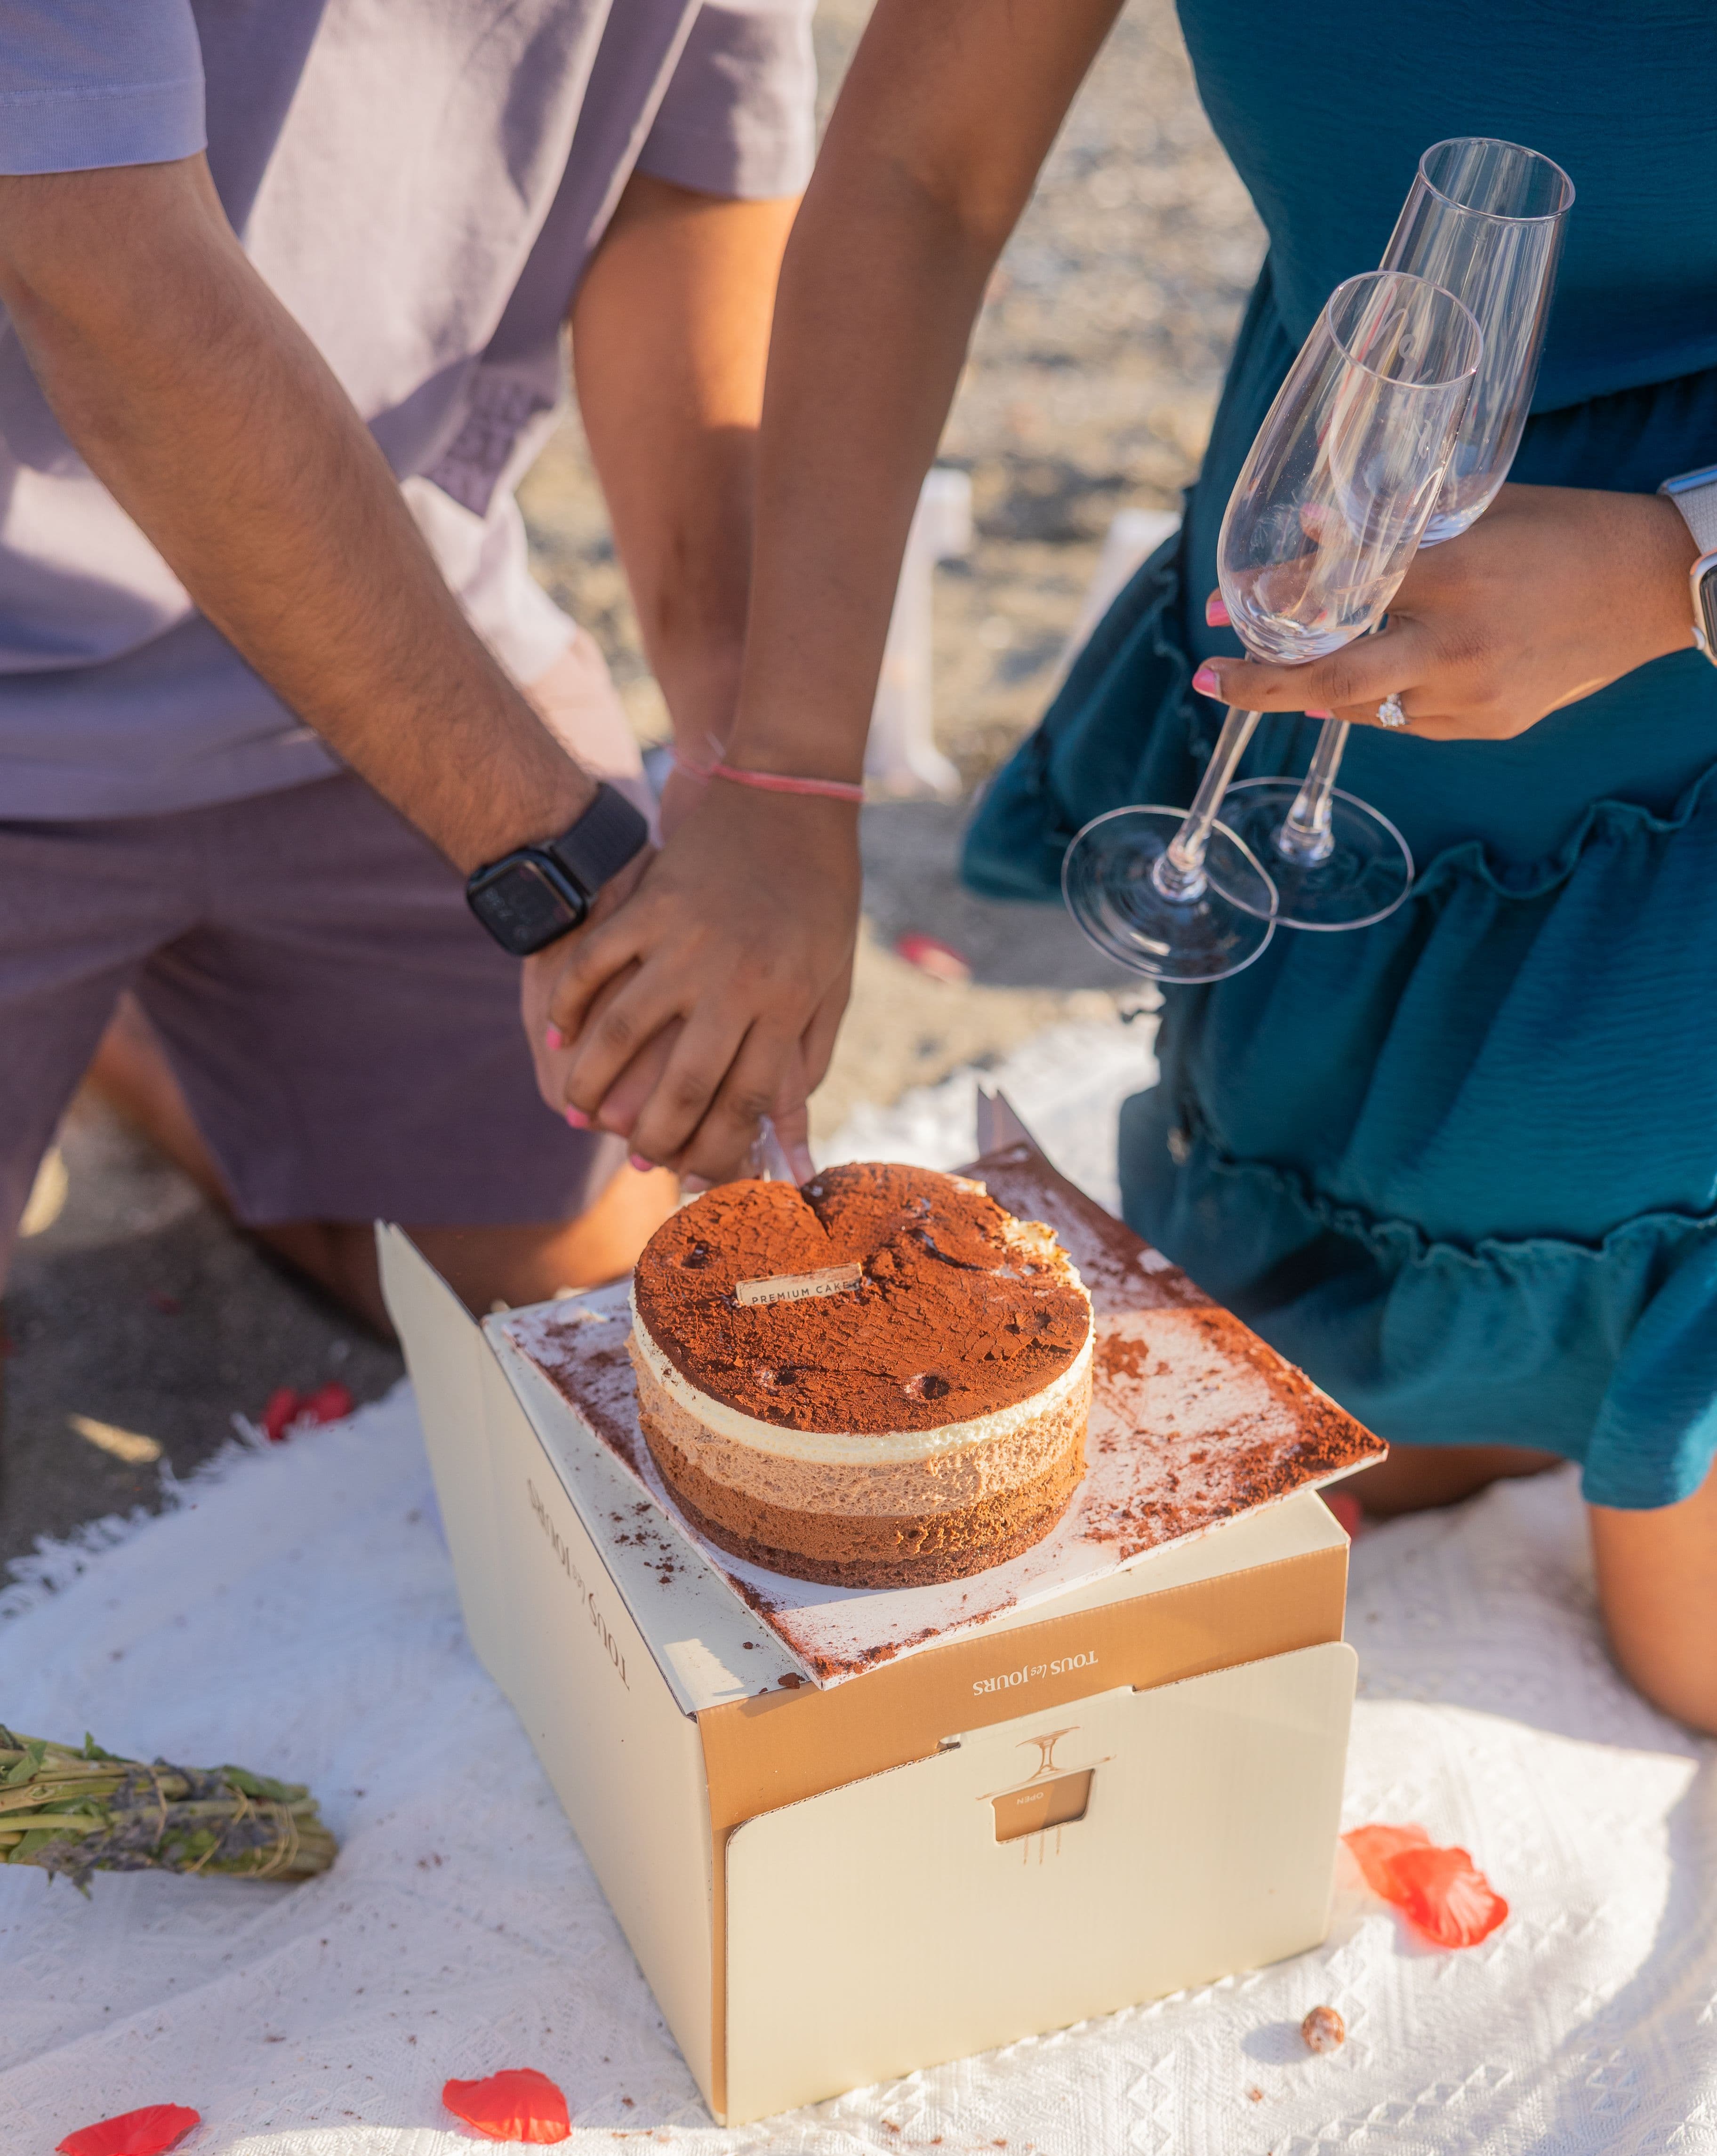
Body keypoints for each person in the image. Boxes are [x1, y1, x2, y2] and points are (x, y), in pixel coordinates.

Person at [537, 0, 1717, 1730]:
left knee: (1686, 1663)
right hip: (1350, 572)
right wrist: (781, 779)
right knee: (1195, 1478)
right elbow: (922, 172)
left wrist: (1670, 571)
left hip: (1673, 699)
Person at [0, 0, 814, 1337]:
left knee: (603, 1323)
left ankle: (148, 1049)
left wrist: (747, 779)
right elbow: (106, 283)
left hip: (405, 634)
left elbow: (688, 188)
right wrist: (553, 864)